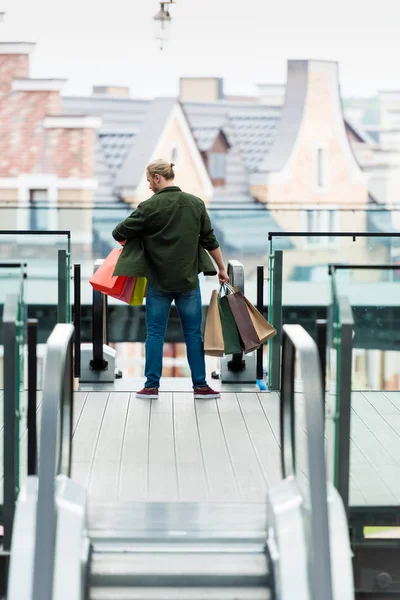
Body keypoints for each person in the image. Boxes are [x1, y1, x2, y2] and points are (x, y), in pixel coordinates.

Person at [112, 158, 229, 400]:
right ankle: (200, 386)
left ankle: (151, 386)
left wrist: (143, 238)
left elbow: (119, 232)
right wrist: (221, 268)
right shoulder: (195, 203)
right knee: (193, 334)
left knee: (155, 333)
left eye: (149, 181)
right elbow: (209, 239)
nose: (149, 187)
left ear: (157, 177)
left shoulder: (148, 207)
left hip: (158, 282)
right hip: (188, 282)